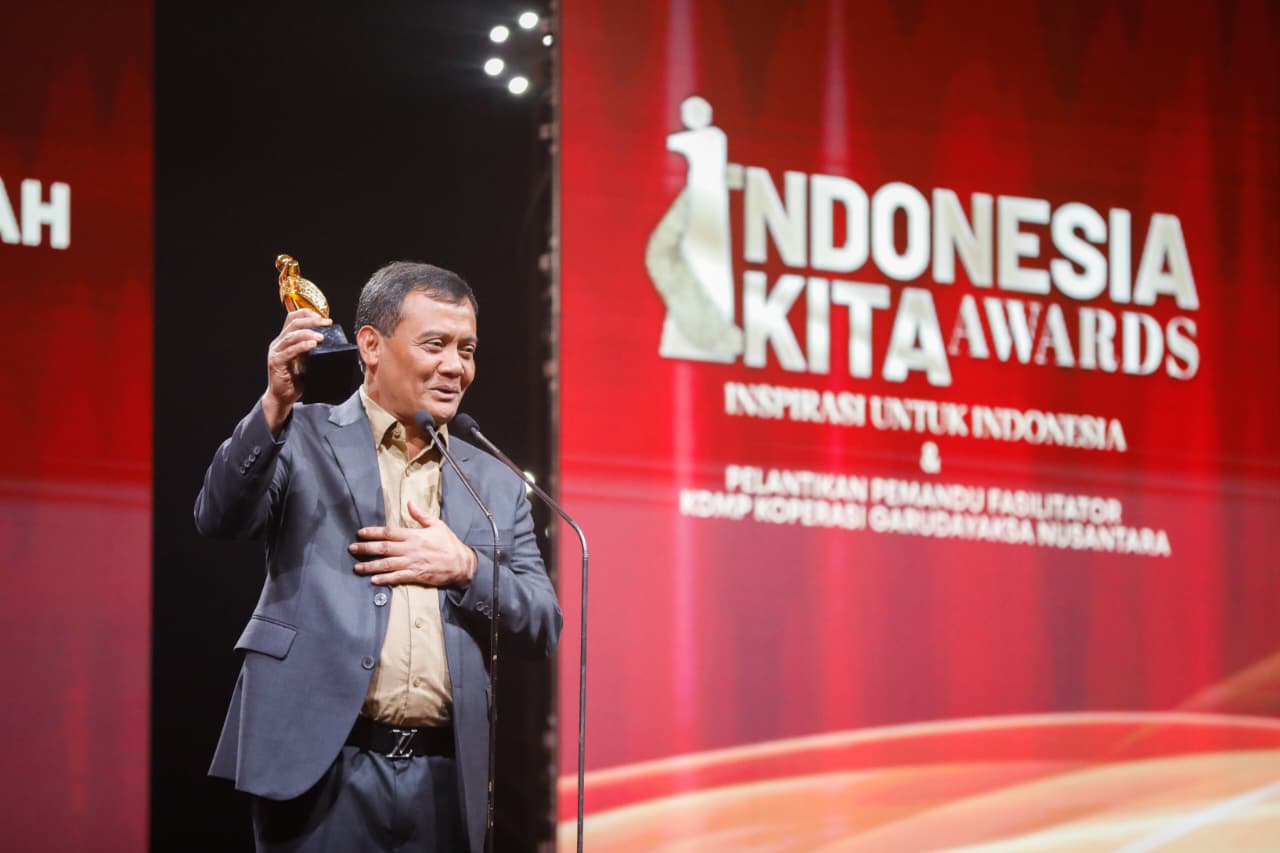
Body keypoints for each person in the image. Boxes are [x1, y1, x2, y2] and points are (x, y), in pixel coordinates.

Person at [195, 261, 562, 852]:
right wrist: (273, 405)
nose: (456, 366)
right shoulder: (302, 435)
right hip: (321, 772)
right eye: (435, 345)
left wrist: (467, 568)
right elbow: (219, 516)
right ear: (370, 346)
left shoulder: (492, 480)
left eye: (467, 349)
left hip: (444, 782)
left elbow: (542, 623)